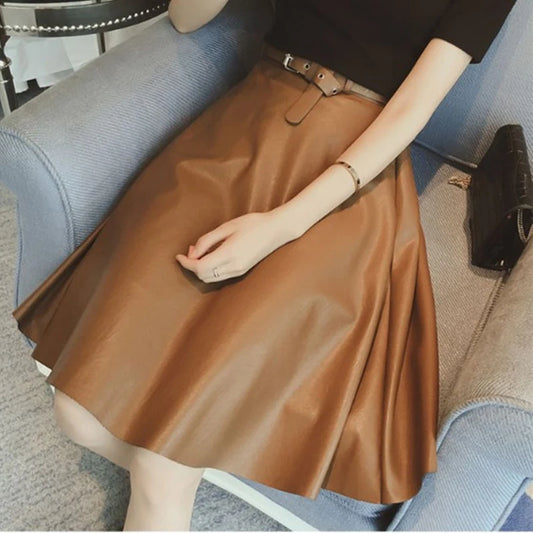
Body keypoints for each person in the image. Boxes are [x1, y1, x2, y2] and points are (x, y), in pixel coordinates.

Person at [11, 0, 518, 530]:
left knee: (163, 469)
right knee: (75, 416)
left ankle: (170, 471)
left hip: (349, 169)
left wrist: (282, 225)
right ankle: (174, 462)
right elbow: (186, 18)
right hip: (249, 120)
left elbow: (412, 109)